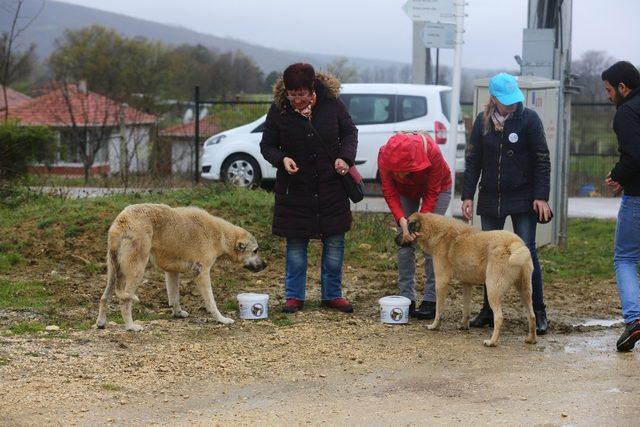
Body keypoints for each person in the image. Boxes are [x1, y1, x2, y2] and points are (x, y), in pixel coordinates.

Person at [260, 63, 358, 313]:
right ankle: (294, 296)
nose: (297, 99)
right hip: (295, 190)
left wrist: (345, 158)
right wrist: (282, 159)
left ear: (312, 88)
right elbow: (267, 145)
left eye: (301, 94)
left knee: (335, 243)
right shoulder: (279, 109)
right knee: (295, 247)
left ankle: (332, 295)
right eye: (292, 94)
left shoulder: (332, 103)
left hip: (332, 187)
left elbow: (350, 133)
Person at [461, 73, 552, 334]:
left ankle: (538, 311)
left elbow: (541, 159)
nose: (511, 106)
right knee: (489, 256)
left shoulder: (529, 119)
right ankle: (489, 311)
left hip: (524, 198)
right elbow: (473, 160)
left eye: (513, 101)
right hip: (491, 197)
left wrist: (540, 195)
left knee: (528, 253)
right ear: (493, 99)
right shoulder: (482, 122)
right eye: (505, 102)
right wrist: (467, 195)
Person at [378, 132, 452, 319]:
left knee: (430, 243)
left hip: (437, 189)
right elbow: (389, 192)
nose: (399, 175)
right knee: (405, 243)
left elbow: (432, 192)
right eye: (395, 171)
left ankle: (431, 298)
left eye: (402, 171)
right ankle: (406, 297)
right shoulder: (384, 155)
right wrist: (403, 222)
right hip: (405, 193)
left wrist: (419, 223)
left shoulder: (432, 153)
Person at [601, 61, 640, 352]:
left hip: (637, 196)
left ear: (623, 88)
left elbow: (634, 156)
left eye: (609, 90)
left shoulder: (626, 113)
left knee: (624, 258)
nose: (608, 95)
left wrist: (617, 175)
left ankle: (634, 319)